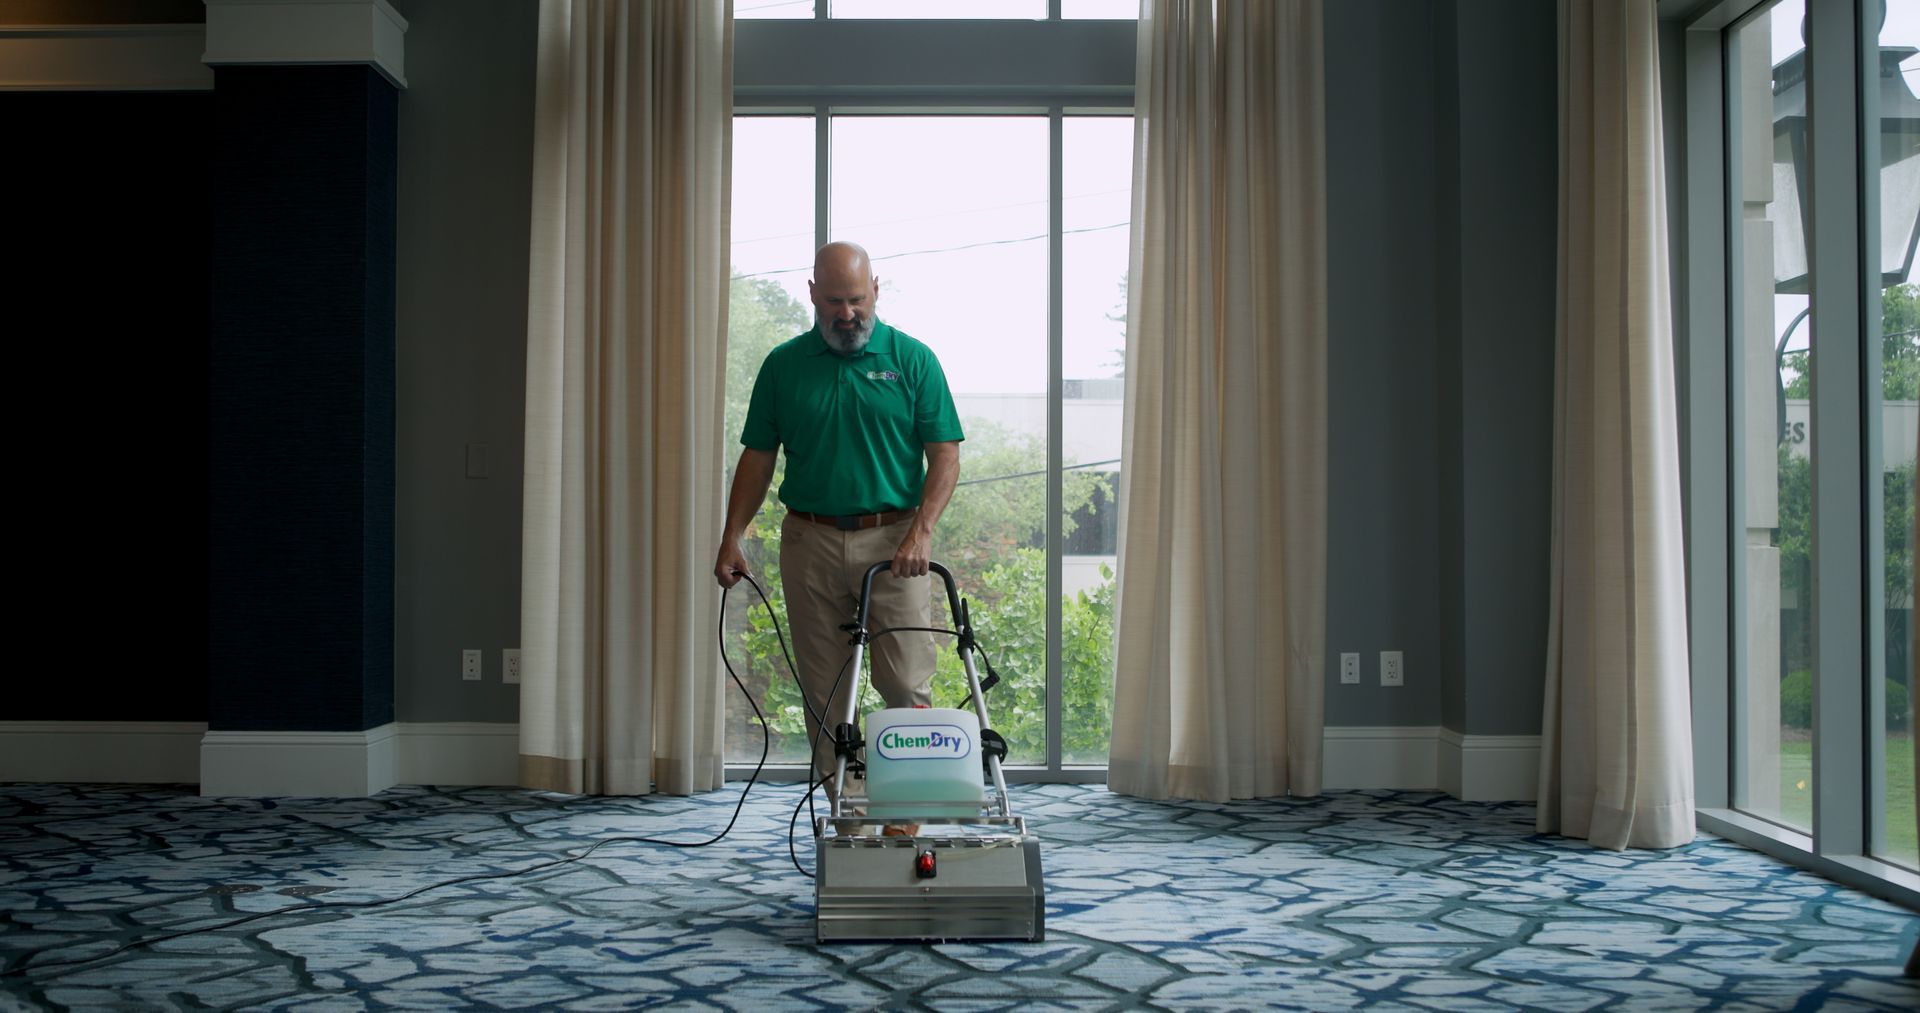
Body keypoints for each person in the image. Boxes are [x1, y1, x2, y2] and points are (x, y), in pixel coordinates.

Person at [713, 241, 964, 820]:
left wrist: (922, 532)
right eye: (833, 302)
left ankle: (910, 817)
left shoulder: (912, 359)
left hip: (896, 541)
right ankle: (847, 818)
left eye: (856, 299)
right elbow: (758, 457)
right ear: (812, 295)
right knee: (827, 693)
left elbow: (944, 457)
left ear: (876, 289)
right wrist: (733, 535)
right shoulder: (784, 364)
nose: (846, 314)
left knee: (904, 683)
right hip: (811, 540)